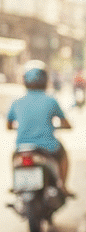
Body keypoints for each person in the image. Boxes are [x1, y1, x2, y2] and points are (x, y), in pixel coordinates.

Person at [6, 61, 72, 190]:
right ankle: (63, 186)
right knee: (63, 154)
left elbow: (9, 125)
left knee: (14, 157)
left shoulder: (17, 102)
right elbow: (65, 123)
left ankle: (14, 184)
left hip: (22, 147)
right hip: (48, 147)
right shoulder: (51, 100)